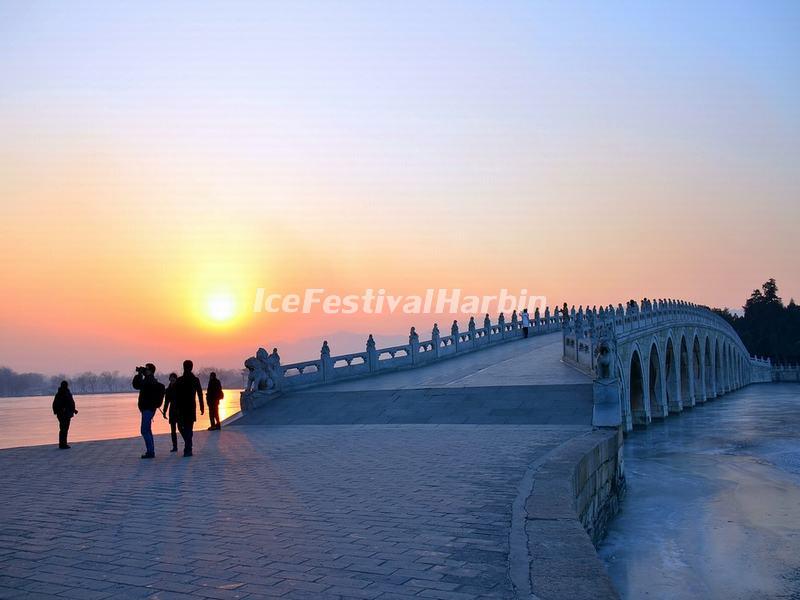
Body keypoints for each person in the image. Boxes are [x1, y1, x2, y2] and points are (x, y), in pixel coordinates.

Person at [132, 363, 165, 459]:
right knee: (147, 430)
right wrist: (139, 375)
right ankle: (150, 451)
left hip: (148, 409)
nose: (145, 370)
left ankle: (150, 452)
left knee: (144, 430)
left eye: (146, 369)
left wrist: (141, 375)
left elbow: (139, 384)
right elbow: (136, 385)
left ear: (150, 371)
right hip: (147, 409)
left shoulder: (149, 380)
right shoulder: (148, 379)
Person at [175, 359, 204, 457]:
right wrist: (202, 406)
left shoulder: (192, 380)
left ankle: (188, 448)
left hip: (185, 407)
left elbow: (200, 394)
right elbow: (200, 394)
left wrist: (202, 406)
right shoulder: (185, 380)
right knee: (186, 428)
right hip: (187, 407)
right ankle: (188, 445)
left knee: (185, 427)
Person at [52, 381, 77, 449]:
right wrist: (61, 410)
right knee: (63, 429)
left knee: (64, 429)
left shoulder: (66, 393)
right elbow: (58, 404)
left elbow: (70, 403)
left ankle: (63, 443)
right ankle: (62, 444)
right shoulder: (61, 393)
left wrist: (74, 410)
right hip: (63, 414)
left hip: (67, 413)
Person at [161, 373, 179, 452]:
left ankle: (187, 443)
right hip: (172, 411)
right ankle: (174, 447)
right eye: (171, 379)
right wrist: (164, 411)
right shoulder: (168, 390)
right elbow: (166, 402)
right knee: (173, 430)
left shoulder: (180, 388)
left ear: (176, 379)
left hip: (179, 410)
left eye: (173, 378)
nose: (172, 380)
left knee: (181, 428)